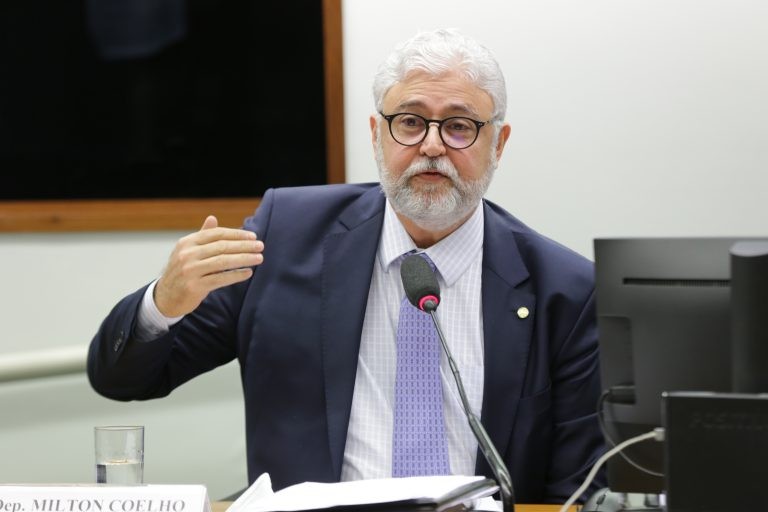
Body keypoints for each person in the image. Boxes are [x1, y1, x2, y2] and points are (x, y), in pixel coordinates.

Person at [87, 28, 606, 504]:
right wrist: (163, 304)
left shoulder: (565, 291)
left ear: (499, 142)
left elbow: (579, 491)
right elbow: (123, 379)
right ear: (376, 133)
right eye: (409, 121)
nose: (431, 146)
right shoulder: (285, 237)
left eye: (459, 126)